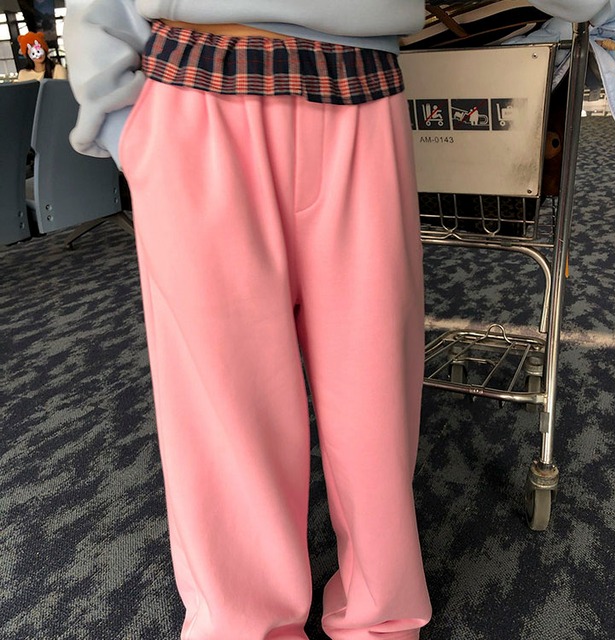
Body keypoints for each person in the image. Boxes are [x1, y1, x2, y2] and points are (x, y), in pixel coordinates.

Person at [64, 1, 431, 638]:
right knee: (224, 400)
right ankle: (246, 625)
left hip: (363, 87)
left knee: (375, 392)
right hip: (195, 86)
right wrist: (121, 119)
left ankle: (381, 619)